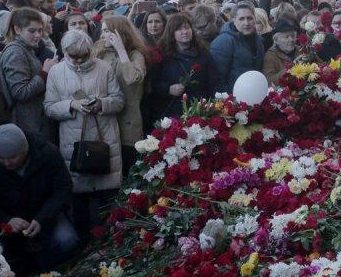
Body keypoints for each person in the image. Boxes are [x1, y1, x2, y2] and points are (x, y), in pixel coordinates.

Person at [43, 30, 124, 241]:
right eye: (73, 56)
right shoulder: (56, 72)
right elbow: (49, 107)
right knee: (79, 207)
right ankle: (84, 246)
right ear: (64, 52)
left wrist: (102, 104)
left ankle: (109, 245)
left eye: (83, 56)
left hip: (104, 139)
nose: (79, 61)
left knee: (108, 205)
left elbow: (119, 100)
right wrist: (71, 105)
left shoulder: (104, 68)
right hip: (74, 144)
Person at [0, 124, 78, 277]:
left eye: (12, 157)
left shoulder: (47, 154)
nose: (7, 163)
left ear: (25, 150)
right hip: (5, 221)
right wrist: (6, 220)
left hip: (45, 214)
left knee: (67, 240)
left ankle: (52, 271)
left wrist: (42, 218)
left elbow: (63, 188)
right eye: (1, 158)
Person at [93, 16, 147, 174]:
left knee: (128, 168)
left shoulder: (135, 55)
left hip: (128, 121)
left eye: (107, 31)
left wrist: (121, 50)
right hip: (104, 118)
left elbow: (133, 78)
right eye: (102, 31)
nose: (102, 35)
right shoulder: (100, 53)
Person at [0, 8, 58, 136]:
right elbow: (20, 92)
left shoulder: (26, 48)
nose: (38, 35)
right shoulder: (15, 52)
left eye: (40, 30)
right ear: (17, 29)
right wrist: (45, 72)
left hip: (33, 123)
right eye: (32, 31)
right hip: (26, 125)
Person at [150, 13, 213, 119]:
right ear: (171, 33)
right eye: (179, 29)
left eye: (187, 28)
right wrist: (168, 89)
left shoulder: (203, 53)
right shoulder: (162, 55)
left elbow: (212, 80)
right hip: (173, 113)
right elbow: (152, 84)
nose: (185, 32)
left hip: (200, 111)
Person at [210, 2, 265, 94]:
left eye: (250, 18)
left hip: (254, 93)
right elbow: (217, 77)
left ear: (255, 19)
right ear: (234, 20)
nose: (246, 23)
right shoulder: (223, 41)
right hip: (232, 97)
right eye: (241, 19)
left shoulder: (259, 40)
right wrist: (228, 98)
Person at [262, 18, 298, 86]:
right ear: (276, 40)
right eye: (286, 37)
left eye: (293, 36)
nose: (291, 39)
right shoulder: (270, 55)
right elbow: (269, 81)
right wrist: (290, 67)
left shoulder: (302, 49)